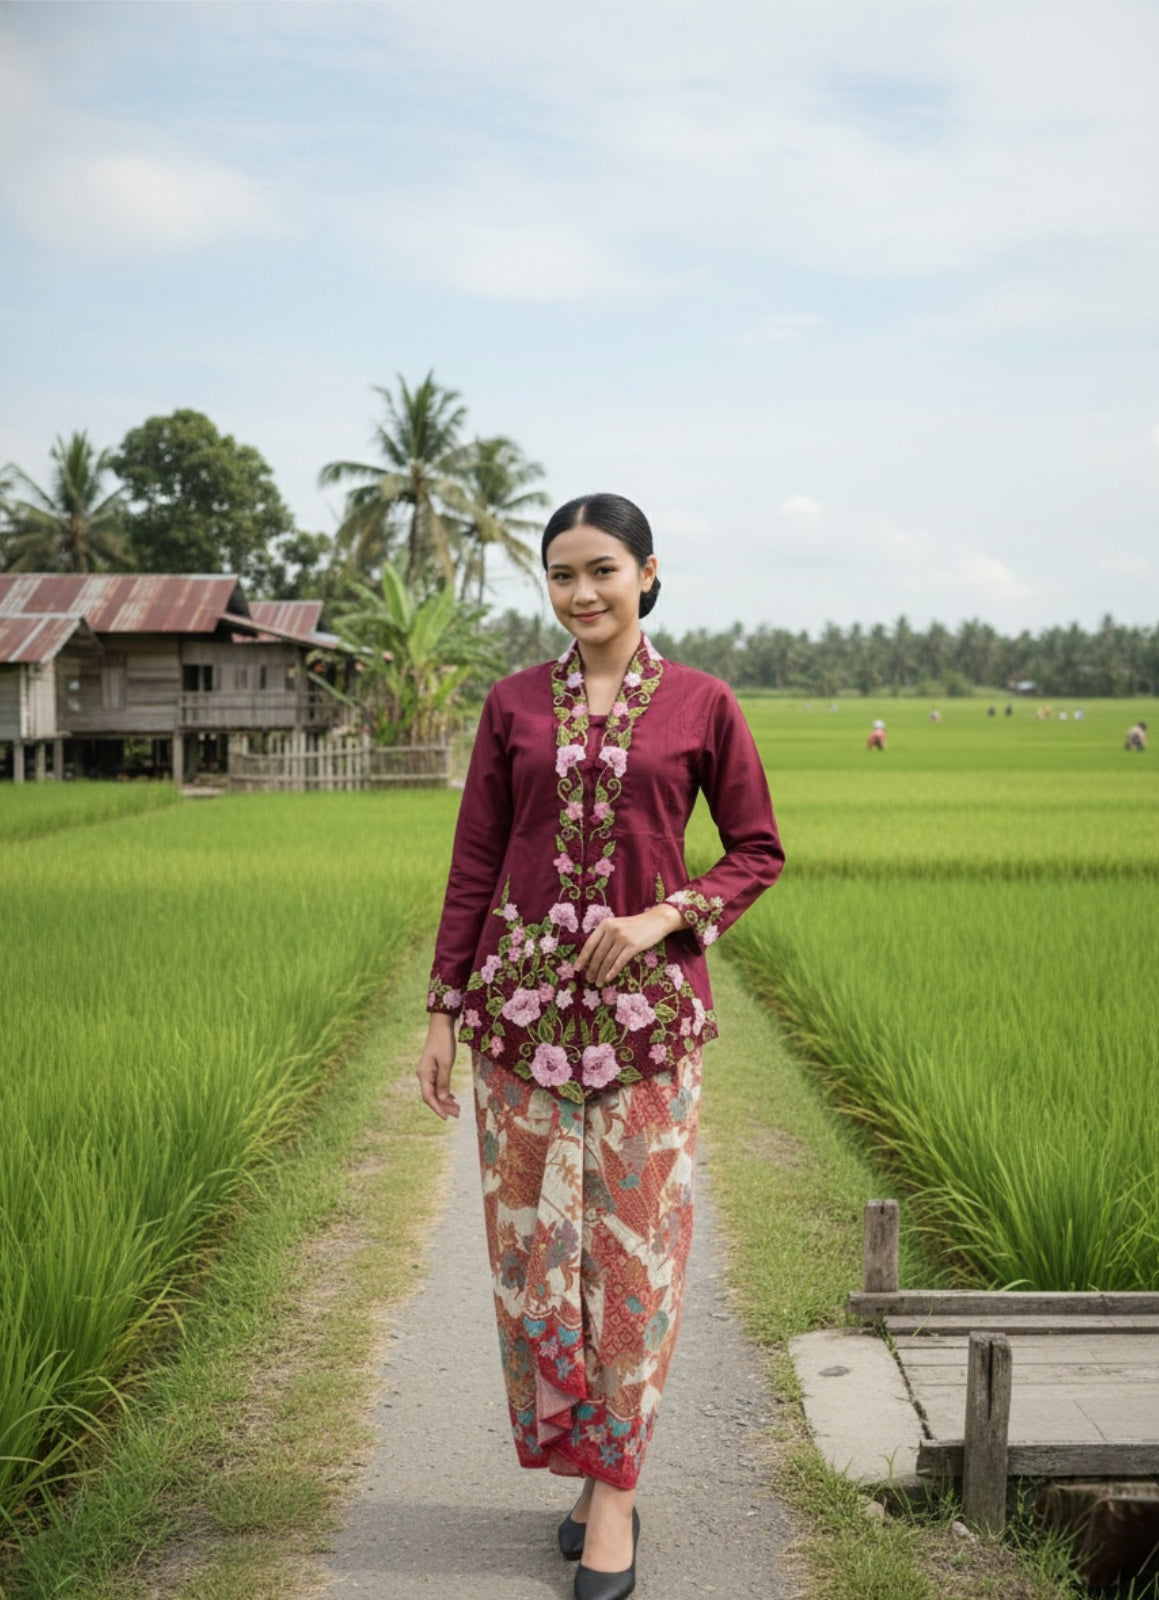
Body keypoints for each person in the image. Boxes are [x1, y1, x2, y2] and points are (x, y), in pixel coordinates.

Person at [416, 493, 784, 1600]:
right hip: (518, 1030)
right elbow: (476, 857)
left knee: (630, 1264)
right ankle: (585, 1462)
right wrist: (442, 1010)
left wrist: (665, 916)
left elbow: (756, 851)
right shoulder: (511, 705)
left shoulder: (704, 706)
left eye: (602, 570)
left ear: (648, 572)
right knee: (539, 1264)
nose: (582, 592)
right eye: (561, 573)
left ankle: (615, 1489)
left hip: (646, 1037)